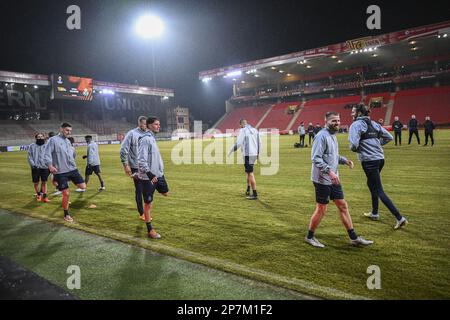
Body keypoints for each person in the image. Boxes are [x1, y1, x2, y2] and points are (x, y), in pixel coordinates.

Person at [305, 112, 373, 248]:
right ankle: (309, 237)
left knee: (342, 205)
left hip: (334, 178)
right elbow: (316, 158)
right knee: (321, 209)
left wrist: (345, 161)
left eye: (338, 120)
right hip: (322, 179)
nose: (337, 123)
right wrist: (329, 171)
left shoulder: (333, 136)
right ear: (326, 121)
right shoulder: (321, 136)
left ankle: (354, 238)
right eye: (334, 121)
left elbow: (333, 155)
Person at [349, 104, 408, 229]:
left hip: (369, 161)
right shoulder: (374, 124)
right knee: (371, 185)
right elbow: (389, 137)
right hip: (380, 159)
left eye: (353, 112)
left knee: (378, 189)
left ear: (359, 113)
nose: (351, 114)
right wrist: (377, 145)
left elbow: (353, 145)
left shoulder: (355, 125)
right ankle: (375, 213)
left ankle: (399, 218)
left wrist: (358, 149)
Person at [44, 122, 86, 222]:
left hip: (72, 169)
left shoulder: (67, 141)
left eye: (70, 131)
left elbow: (71, 155)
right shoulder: (53, 140)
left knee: (83, 186)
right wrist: (50, 166)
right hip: (60, 171)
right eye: (67, 130)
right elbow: (46, 153)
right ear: (61, 129)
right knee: (66, 194)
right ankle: (66, 214)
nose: (69, 132)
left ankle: (61, 182)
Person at [137, 116, 169, 239]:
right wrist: (149, 174)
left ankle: (141, 182)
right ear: (149, 125)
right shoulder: (145, 139)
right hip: (149, 177)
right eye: (156, 124)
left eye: (159, 124)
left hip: (158, 175)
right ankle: (150, 230)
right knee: (148, 204)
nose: (158, 126)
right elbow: (141, 159)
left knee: (166, 193)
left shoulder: (152, 138)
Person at [120, 116, 148, 220]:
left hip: (146, 166)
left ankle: (146, 211)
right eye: (144, 124)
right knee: (139, 190)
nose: (146, 126)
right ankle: (141, 213)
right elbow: (123, 150)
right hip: (135, 167)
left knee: (147, 190)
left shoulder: (148, 134)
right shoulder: (132, 134)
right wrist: (126, 165)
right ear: (139, 123)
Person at [228, 119, 261, 200]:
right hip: (254, 154)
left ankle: (255, 194)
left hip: (247, 154)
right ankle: (248, 189)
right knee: (248, 172)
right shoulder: (255, 130)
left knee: (250, 173)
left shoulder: (243, 131)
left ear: (241, 124)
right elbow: (259, 142)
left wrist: (230, 151)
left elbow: (238, 144)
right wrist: (258, 153)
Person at [28, 133, 50, 203]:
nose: (40, 138)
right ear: (36, 138)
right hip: (35, 167)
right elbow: (29, 156)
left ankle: (45, 196)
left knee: (44, 182)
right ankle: (38, 194)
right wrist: (33, 165)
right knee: (36, 183)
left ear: (44, 137)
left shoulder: (47, 146)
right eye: (38, 137)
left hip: (44, 167)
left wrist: (48, 164)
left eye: (41, 137)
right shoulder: (32, 146)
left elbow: (49, 156)